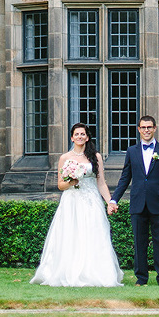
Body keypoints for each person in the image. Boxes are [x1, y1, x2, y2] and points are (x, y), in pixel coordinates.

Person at [30, 121, 123, 287]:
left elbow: (101, 182)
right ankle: (68, 271)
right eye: (77, 134)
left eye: (83, 134)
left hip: (91, 200)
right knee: (71, 235)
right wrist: (72, 181)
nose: (80, 136)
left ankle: (97, 273)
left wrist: (110, 202)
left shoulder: (96, 157)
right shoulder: (65, 158)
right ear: (72, 138)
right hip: (71, 201)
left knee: (95, 233)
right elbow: (60, 185)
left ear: (87, 137)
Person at [107, 115, 159, 286]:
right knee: (139, 243)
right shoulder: (131, 151)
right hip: (138, 203)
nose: (146, 130)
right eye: (143, 127)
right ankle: (141, 278)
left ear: (154, 128)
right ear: (138, 129)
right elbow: (125, 178)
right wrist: (114, 199)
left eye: (149, 127)